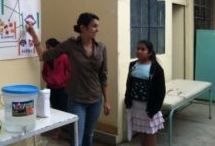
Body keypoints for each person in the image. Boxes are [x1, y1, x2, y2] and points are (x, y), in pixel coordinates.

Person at [26, 12, 111, 146]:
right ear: (83, 28)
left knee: (89, 136)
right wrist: (34, 35)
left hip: (96, 99)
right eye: (94, 26)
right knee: (77, 138)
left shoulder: (101, 48)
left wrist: (106, 101)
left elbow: (103, 75)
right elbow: (44, 56)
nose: (97, 29)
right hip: (77, 100)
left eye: (98, 26)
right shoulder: (70, 45)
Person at [124, 40, 166, 146]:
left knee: (150, 134)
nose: (139, 51)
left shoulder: (156, 68)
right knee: (141, 133)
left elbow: (161, 91)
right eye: (138, 48)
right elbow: (129, 84)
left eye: (143, 49)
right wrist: (127, 101)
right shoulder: (133, 65)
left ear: (150, 53)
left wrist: (155, 109)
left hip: (149, 108)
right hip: (135, 106)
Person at [42, 38, 71, 139]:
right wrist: (49, 80)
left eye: (49, 47)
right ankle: (57, 131)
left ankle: (66, 130)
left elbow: (69, 70)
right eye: (46, 48)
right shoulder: (47, 59)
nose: (47, 49)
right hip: (51, 88)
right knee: (54, 109)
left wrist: (63, 80)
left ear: (54, 47)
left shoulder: (63, 57)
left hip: (63, 88)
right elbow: (44, 72)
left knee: (63, 110)